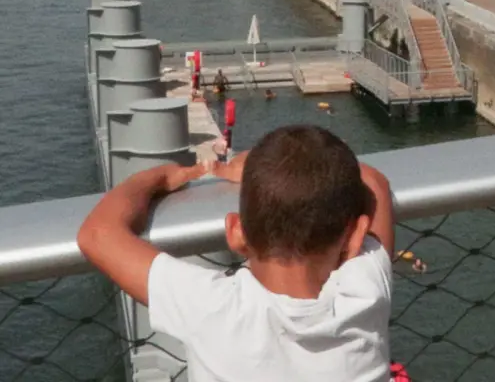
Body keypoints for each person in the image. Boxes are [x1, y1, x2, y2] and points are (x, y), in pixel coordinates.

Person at [76, 125, 395, 382]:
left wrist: (159, 176)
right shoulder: (364, 293)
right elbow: (374, 183)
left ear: (235, 232)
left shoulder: (212, 307)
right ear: (354, 237)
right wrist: (271, 174)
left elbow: (96, 234)